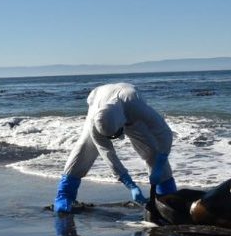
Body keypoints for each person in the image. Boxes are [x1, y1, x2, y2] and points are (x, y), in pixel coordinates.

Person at [53, 83, 177, 213]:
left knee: (153, 151)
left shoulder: (136, 106)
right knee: (84, 149)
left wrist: (161, 159)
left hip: (130, 113)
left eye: (115, 135)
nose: (114, 138)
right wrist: (130, 185)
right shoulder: (95, 123)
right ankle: (65, 196)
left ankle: (168, 195)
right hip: (98, 101)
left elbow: (164, 132)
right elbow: (108, 154)